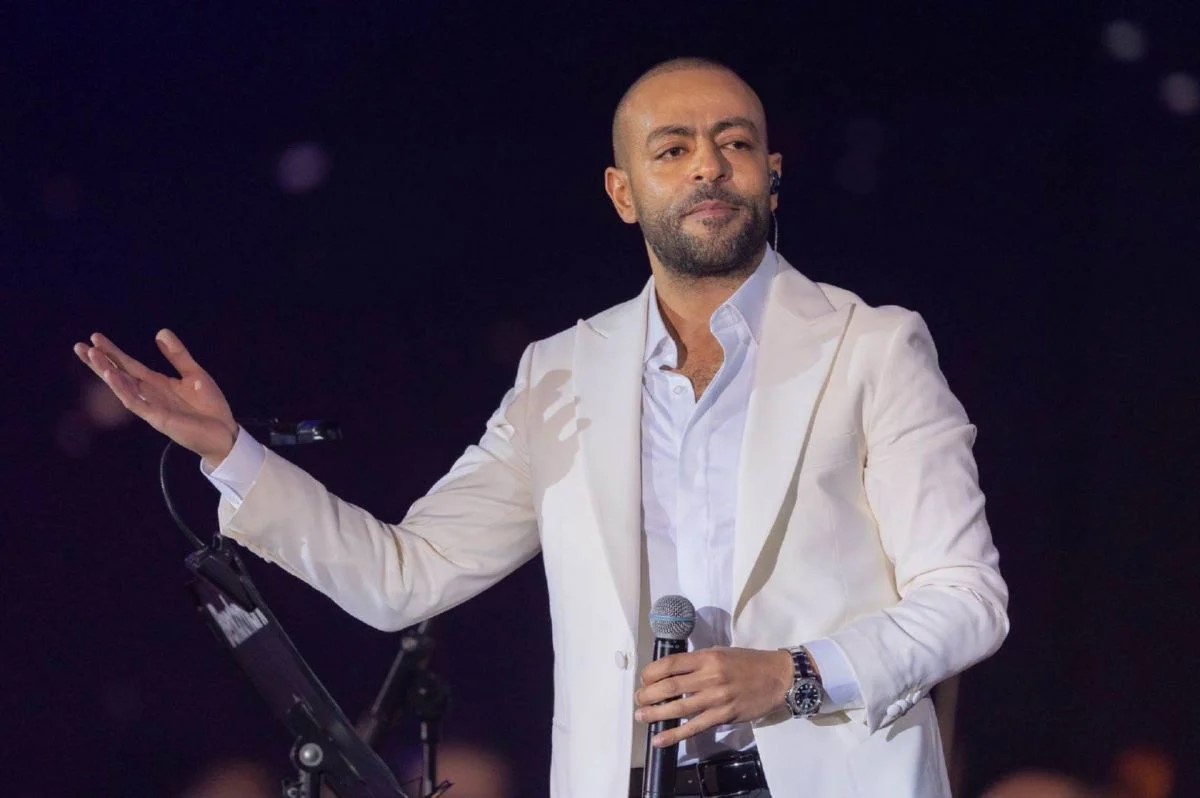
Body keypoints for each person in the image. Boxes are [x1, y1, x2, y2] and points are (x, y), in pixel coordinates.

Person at [75, 57, 1009, 797]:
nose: (707, 166)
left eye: (734, 143)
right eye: (673, 148)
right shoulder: (562, 371)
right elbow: (408, 575)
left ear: (771, 176)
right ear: (623, 192)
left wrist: (794, 674)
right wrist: (229, 452)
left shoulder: (871, 347)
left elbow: (967, 597)